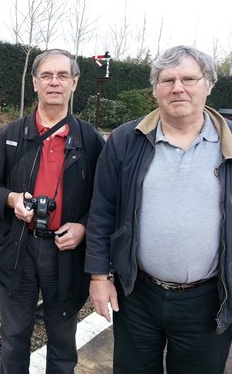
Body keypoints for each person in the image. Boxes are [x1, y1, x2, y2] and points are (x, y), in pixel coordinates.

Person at [85, 45, 232, 374]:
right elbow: (102, 211)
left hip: (209, 301)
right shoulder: (126, 139)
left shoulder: (230, 142)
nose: (177, 87)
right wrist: (99, 276)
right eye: (167, 80)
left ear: (209, 84)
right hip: (138, 295)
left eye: (189, 78)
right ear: (155, 90)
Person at [0, 48, 105, 373]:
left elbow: (106, 202)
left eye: (62, 75)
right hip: (20, 249)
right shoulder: (11, 135)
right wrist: (12, 200)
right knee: (14, 338)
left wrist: (84, 228)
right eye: (46, 75)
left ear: (74, 82)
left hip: (66, 256)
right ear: (34, 83)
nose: (54, 82)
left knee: (63, 342)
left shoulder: (89, 139)